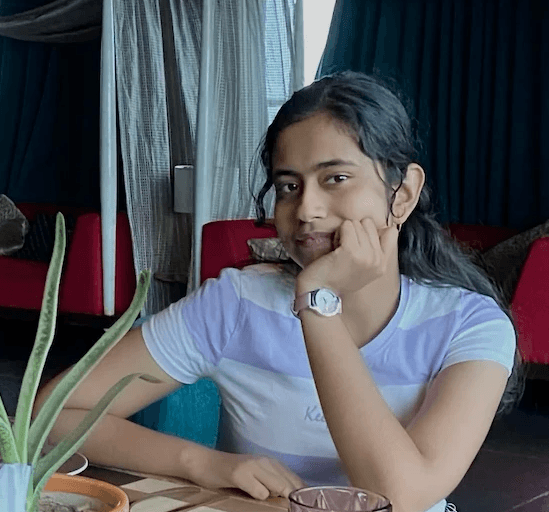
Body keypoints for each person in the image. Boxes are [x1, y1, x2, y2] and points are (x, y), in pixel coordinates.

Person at [34, 71, 522, 512]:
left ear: (405, 192)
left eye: (336, 178)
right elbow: (50, 414)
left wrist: (318, 303)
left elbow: (400, 498)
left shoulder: (472, 327)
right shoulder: (237, 304)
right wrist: (201, 462)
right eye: (288, 186)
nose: (306, 209)